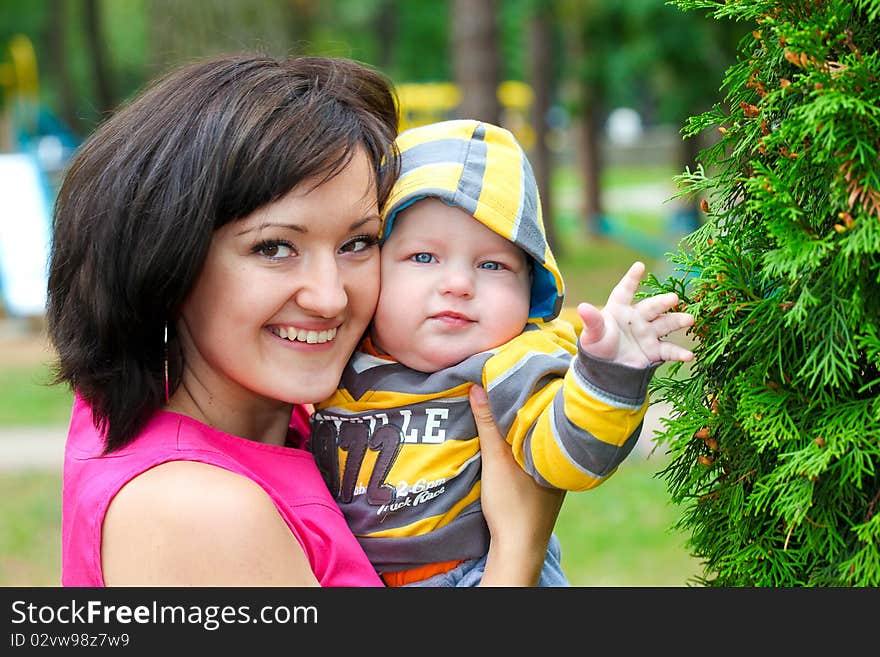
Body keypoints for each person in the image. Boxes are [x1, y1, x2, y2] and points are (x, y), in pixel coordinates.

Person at [47, 55, 564, 587]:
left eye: (358, 243)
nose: (330, 297)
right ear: (165, 261)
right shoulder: (201, 511)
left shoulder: (263, 420)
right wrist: (519, 547)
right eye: (274, 248)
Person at [311, 119, 695, 586]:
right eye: (423, 257)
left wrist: (609, 373)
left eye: (491, 264)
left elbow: (576, 458)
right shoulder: (338, 356)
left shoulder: (512, 365)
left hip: (474, 571)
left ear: (529, 287)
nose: (457, 284)